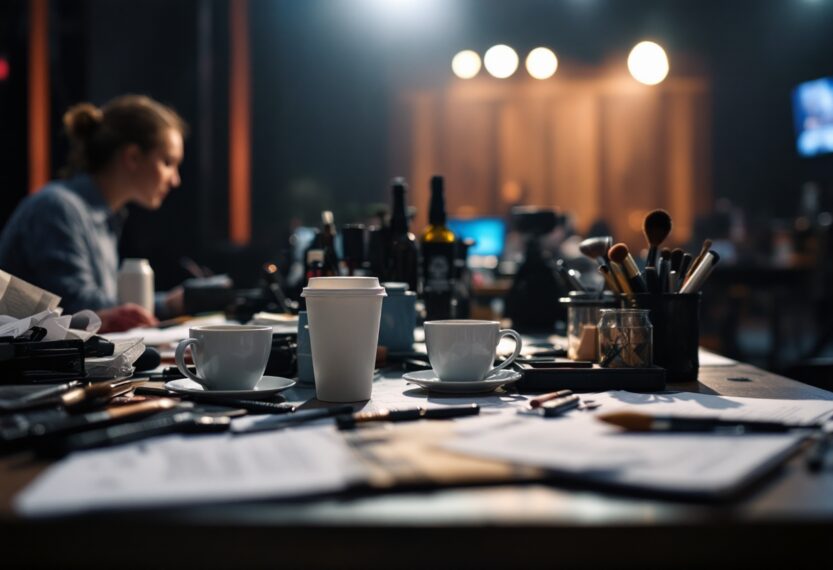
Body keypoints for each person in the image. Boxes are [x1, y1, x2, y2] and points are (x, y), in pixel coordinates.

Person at [0, 94, 187, 332]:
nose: (175, 180)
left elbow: (104, 310)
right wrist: (164, 306)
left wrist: (169, 304)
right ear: (132, 157)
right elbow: (81, 309)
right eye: (168, 162)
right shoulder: (57, 208)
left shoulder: (102, 216)